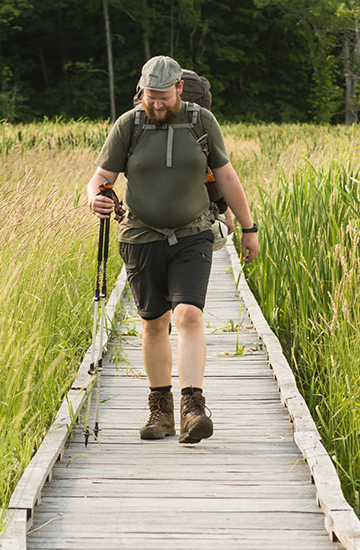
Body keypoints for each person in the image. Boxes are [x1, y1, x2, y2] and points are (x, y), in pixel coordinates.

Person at [86, 55, 260, 444]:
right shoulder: (128, 125)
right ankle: (160, 410)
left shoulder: (201, 122)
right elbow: (101, 178)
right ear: (142, 91)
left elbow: (227, 175)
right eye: (150, 97)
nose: (157, 104)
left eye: (163, 97)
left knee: (188, 315)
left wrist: (248, 227)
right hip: (140, 235)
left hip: (193, 233)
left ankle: (193, 407)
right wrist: (96, 197)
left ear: (179, 89)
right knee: (153, 321)